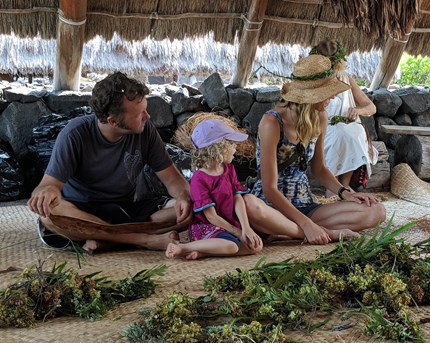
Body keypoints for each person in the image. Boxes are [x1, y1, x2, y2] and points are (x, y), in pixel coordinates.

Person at [27, 72, 192, 253]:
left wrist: (184, 196)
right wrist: (48, 192)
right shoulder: (75, 134)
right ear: (113, 121)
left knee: (189, 208)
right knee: (50, 214)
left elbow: (172, 179)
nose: (147, 116)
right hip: (81, 212)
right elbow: (46, 186)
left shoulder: (146, 131)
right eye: (139, 113)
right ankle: (143, 240)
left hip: (124, 211)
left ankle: (108, 238)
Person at [250, 54, 387, 245]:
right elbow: (269, 188)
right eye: (327, 92)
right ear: (311, 96)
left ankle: (287, 231)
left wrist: (346, 193)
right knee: (251, 208)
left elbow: (319, 168)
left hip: (305, 204)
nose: (332, 97)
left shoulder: (320, 116)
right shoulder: (272, 122)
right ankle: (318, 231)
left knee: (376, 211)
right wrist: (306, 224)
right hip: (271, 207)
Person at [165, 119, 262, 260]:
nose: (235, 147)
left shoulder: (229, 169)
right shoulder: (199, 179)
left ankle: (205, 251)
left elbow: (237, 198)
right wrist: (237, 232)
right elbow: (211, 217)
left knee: (256, 247)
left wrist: (246, 228)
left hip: (228, 224)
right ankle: (183, 247)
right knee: (233, 246)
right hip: (208, 226)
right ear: (218, 148)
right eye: (230, 143)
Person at [311, 40, 378, 194]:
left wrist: (358, 111)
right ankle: (333, 185)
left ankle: (345, 184)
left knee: (352, 133)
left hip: (349, 125)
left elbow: (371, 107)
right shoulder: (313, 80)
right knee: (338, 134)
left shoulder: (346, 79)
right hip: (323, 125)